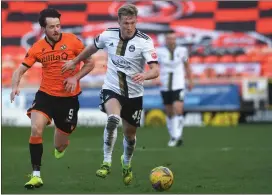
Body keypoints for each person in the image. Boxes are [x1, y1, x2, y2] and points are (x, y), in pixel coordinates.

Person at [62, 4, 159, 185]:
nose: (129, 26)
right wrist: (75, 61)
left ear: (136, 21)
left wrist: (145, 75)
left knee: (130, 136)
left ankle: (126, 162)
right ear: (119, 22)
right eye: (125, 23)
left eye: (132, 22)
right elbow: (91, 48)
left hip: (134, 94)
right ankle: (106, 161)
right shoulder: (108, 35)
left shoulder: (145, 41)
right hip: (111, 88)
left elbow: (155, 70)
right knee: (113, 119)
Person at [10, 8, 93, 189]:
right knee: (36, 128)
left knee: (60, 145)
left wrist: (75, 77)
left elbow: (90, 62)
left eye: (58, 26)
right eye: (52, 27)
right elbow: (20, 70)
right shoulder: (38, 48)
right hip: (46, 95)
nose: (56, 30)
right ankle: (36, 175)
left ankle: (60, 145)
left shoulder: (73, 41)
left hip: (69, 98)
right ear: (43, 29)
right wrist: (15, 86)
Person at [157, 30, 193, 147]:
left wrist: (190, 80)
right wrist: (155, 77)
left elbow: (187, 65)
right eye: (169, 38)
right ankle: (173, 135)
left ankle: (177, 136)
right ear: (165, 40)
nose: (171, 40)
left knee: (178, 108)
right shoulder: (159, 51)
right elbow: (153, 66)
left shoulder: (182, 51)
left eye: (173, 38)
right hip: (165, 84)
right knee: (169, 111)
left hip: (179, 84)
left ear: (175, 39)